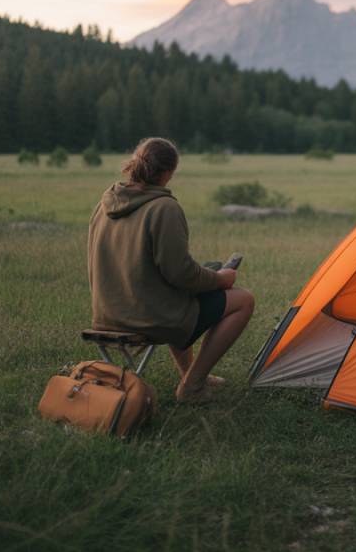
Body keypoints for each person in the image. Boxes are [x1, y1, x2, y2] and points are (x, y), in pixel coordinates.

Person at [87, 137, 254, 403]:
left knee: (192, 285)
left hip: (107, 315)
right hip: (149, 317)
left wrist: (208, 275)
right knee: (244, 300)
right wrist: (221, 278)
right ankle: (193, 385)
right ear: (168, 173)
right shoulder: (164, 207)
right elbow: (180, 274)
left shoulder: (105, 204)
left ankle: (188, 374)